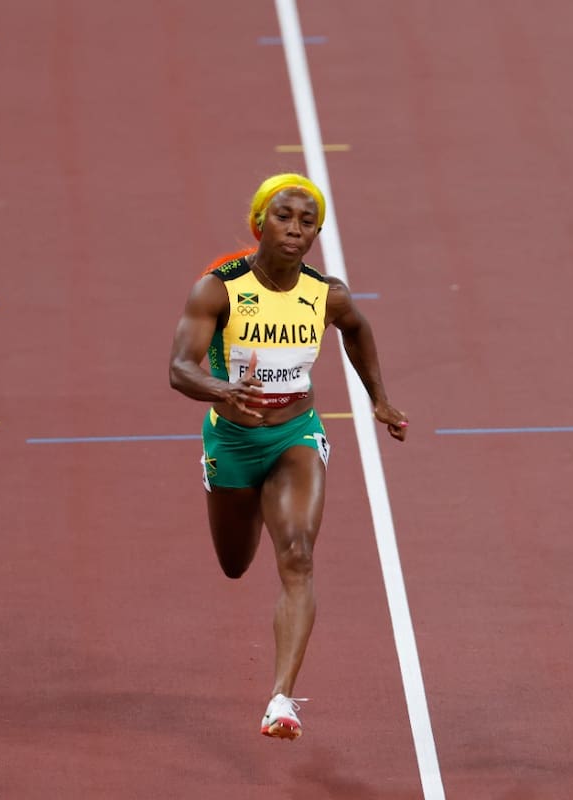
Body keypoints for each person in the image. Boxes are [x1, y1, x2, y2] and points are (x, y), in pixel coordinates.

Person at [168, 173, 409, 740]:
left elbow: (356, 329)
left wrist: (380, 399)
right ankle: (234, 495)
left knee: (298, 555)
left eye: (307, 220)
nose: (295, 228)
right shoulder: (219, 289)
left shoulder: (327, 294)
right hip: (230, 442)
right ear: (259, 222)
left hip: (293, 438)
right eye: (284, 216)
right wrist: (222, 391)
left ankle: (280, 700)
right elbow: (179, 369)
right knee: (235, 563)